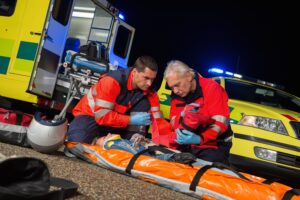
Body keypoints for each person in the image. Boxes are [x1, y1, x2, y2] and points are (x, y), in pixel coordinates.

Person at [66, 56, 163, 144]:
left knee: (144, 103)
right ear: (134, 72)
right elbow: (102, 116)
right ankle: (99, 141)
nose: (149, 83)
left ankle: (131, 141)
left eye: (152, 79)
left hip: (116, 123)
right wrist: (130, 120)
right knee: (78, 142)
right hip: (90, 117)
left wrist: (173, 134)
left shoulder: (150, 92)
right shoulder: (112, 81)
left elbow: (159, 121)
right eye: (146, 78)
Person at [163, 60, 232, 163]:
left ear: (189, 76)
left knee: (204, 168)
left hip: (214, 145)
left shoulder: (212, 88)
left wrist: (200, 138)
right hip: (187, 143)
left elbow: (220, 124)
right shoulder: (177, 95)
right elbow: (173, 122)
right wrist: (182, 123)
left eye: (177, 85)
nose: (175, 91)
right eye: (172, 87)